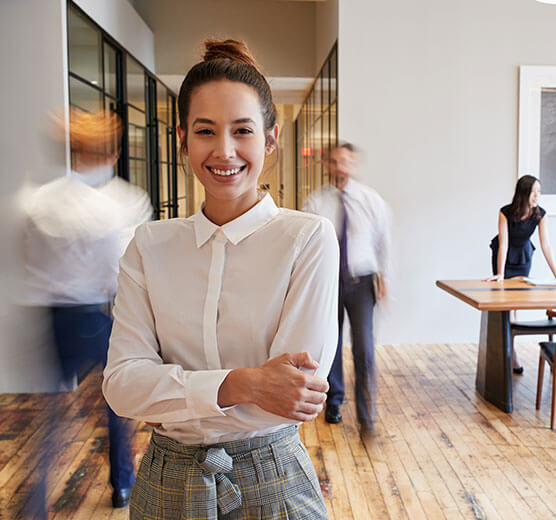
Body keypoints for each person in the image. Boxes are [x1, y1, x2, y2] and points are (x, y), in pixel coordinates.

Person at [103, 40, 337, 519]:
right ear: (182, 139)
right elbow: (123, 387)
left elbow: (294, 394)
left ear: (270, 139)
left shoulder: (306, 238)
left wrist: (172, 394)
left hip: (273, 475)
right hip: (166, 481)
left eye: (242, 131)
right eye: (205, 131)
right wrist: (246, 383)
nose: (224, 150)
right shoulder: (149, 246)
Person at [20, 109, 150, 514]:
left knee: (52, 416)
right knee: (116, 406)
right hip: (99, 316)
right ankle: (122, 486)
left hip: (52, 317)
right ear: (113, 153)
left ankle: (36, 500)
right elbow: (124, 269)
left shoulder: (38, 201)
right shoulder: (124, 204)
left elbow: (30, 261)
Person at [302, 143, 391, 435]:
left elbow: (383, 241)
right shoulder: (316, 202)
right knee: (332, 343)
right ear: (328, 165)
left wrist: (385, 278)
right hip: (328, 282)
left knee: (364, 348)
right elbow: (307, 245)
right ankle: (334, 402)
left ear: (353, 166)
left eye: (346, 162)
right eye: (335, 161)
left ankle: (367, 414)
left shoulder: (370, 200)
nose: (340, 167)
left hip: (362, 281)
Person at [486, 175, 556, 374]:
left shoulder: (540, 214)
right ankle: (511, 355)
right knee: (505, 307)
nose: (537, 196)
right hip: (504, 257)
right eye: (533, 192)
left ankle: (510, 352)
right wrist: (500, 274)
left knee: (515, 305)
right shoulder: (505, 212)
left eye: (539, 192)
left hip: (523, 257)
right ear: (523, 193)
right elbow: (504, 244)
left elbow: (545, 245)